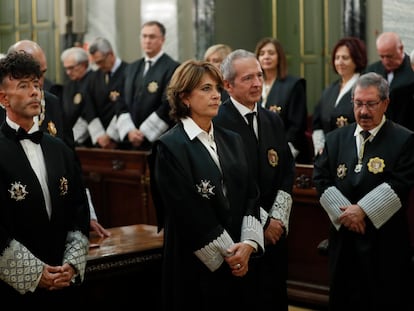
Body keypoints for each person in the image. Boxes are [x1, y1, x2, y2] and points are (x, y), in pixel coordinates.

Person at [148, 59, 264, 311]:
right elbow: (186, 210)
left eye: (217, 89)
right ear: (184, 98)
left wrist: (247, 245)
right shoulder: (170, 147)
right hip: (195, 262)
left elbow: (251, 194)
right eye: (206, 89)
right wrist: (230, 254)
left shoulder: (232, 139)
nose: (216, 96)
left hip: (238, 253)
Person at [313, 72, 414, 310]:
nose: (364, 111)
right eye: (358, 104)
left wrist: (364, 211)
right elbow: (321, 177)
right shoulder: (335, 138)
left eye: (371, 104)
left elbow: (401, 182)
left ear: (385, 103)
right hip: (344, 240)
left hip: (384, 243)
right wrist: (348, 216)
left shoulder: (405, 139)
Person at [0, 51, 90, 307]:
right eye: (23, 86)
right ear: (3, 98)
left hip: (62, 277)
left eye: (36, 85)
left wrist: (71, 264)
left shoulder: (59, 149)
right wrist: (34, 273)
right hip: (14, 287)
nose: (35, 92)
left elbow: (78, 210)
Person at [214, 49, 295, 311]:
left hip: (275, 236)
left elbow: (286, 170)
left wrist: (278, 219)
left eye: (259, 76)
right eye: (248, 78)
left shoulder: (272, 119)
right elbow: (230, 182)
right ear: (228, 85)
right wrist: (264, 223)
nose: (257, 83)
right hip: (240, 233)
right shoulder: (217, 121)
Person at [60, 46, 111, 238]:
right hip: (75, 142)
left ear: (83, 65)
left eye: (72, 68)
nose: (68, 72)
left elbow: (91, 113)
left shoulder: (95, 80)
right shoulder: (70, 85)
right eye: (66, 68)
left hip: (96, 140)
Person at [121, 20, 180, 150]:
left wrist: (144, 133)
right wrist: (130, 131)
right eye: (144, 36)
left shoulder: (173, 68)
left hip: (158, 140)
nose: (147, 41)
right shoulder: (131, 68)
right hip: (130, 139)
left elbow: (168, 103)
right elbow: (121, 101)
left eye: (152, 37)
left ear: (162, 39)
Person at [5, 40, 75, 148]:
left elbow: (69, 155)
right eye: (30, 75)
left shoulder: (52, 103)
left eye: (42, 73)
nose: (40, 82)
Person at [255, 37, 310, 163]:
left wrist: (284, 153)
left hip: (287, 151)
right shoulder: (254, 86)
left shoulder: (293, 85)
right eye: (262, 54)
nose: (266, 57)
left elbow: (297, 126)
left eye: (271, 53)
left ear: (279, 57)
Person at [312, 36, 367, 157]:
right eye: (337, 58)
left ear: (357, 59)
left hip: (354, 154)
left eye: (345, 58)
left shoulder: (365, 88)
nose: (340, 62)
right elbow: (317, 124)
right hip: (328, 154)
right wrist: (321, 148)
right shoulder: (329, 90)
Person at [365, 31, 414, 131]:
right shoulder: (372, 71)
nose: (386, 61)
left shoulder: (412, 70)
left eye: (389, 56)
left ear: (400, 49)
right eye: (382, 56)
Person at [88, 37, 130, 149]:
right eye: (96, 63)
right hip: (101, 141)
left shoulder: (129, 72)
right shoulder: (94, 77)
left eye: (100, 61)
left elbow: (126, 106)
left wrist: (110, 136)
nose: (99, 66)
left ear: (110, 54)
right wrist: (100, 136)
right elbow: (89, 107)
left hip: (122, 139)